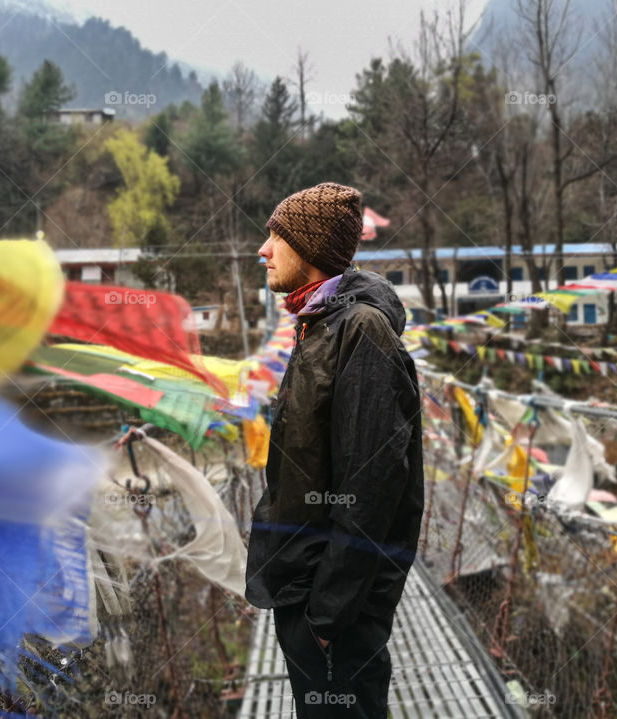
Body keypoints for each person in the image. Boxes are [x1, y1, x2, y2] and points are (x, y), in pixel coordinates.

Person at [246, 182, 424, 718]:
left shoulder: (360, 331)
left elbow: (371, 486)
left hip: (332, 613)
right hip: (305, 593)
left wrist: (326, 618)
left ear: (312, 248)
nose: (263, 249)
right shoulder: (318, 326)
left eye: (277, 235)